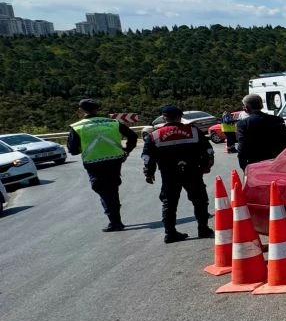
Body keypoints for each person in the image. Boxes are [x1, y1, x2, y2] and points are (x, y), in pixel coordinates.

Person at [141, 103, 214, 244]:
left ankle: (170, 233)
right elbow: (207, 150)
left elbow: (147, 157)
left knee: (169, 203)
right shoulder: (193, 131)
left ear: (163, 118)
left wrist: (149, 173)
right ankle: (203, 229)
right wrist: (206, 165)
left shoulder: (154, 136)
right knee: (199, 200)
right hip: (192, 171)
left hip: (169, 174)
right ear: (181, 117)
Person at [67, 99, 138, 232]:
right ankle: (116, 219)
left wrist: (85, 148)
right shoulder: (113, 123)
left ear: (81, 110)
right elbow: (133, 136)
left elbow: (72, 150)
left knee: (103, 191)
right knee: (112, 188)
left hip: (94, 162)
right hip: (115, 160)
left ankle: (115, 222)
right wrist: (127, 151)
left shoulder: (78, 127)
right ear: (98, 109)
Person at [235, 94, 286, 170]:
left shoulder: (243, 124)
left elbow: (242, 146)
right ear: (261, 105)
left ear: (246, 107)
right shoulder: (277, 120)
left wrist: (243, 165)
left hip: (256, 163)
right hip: (277, 160)